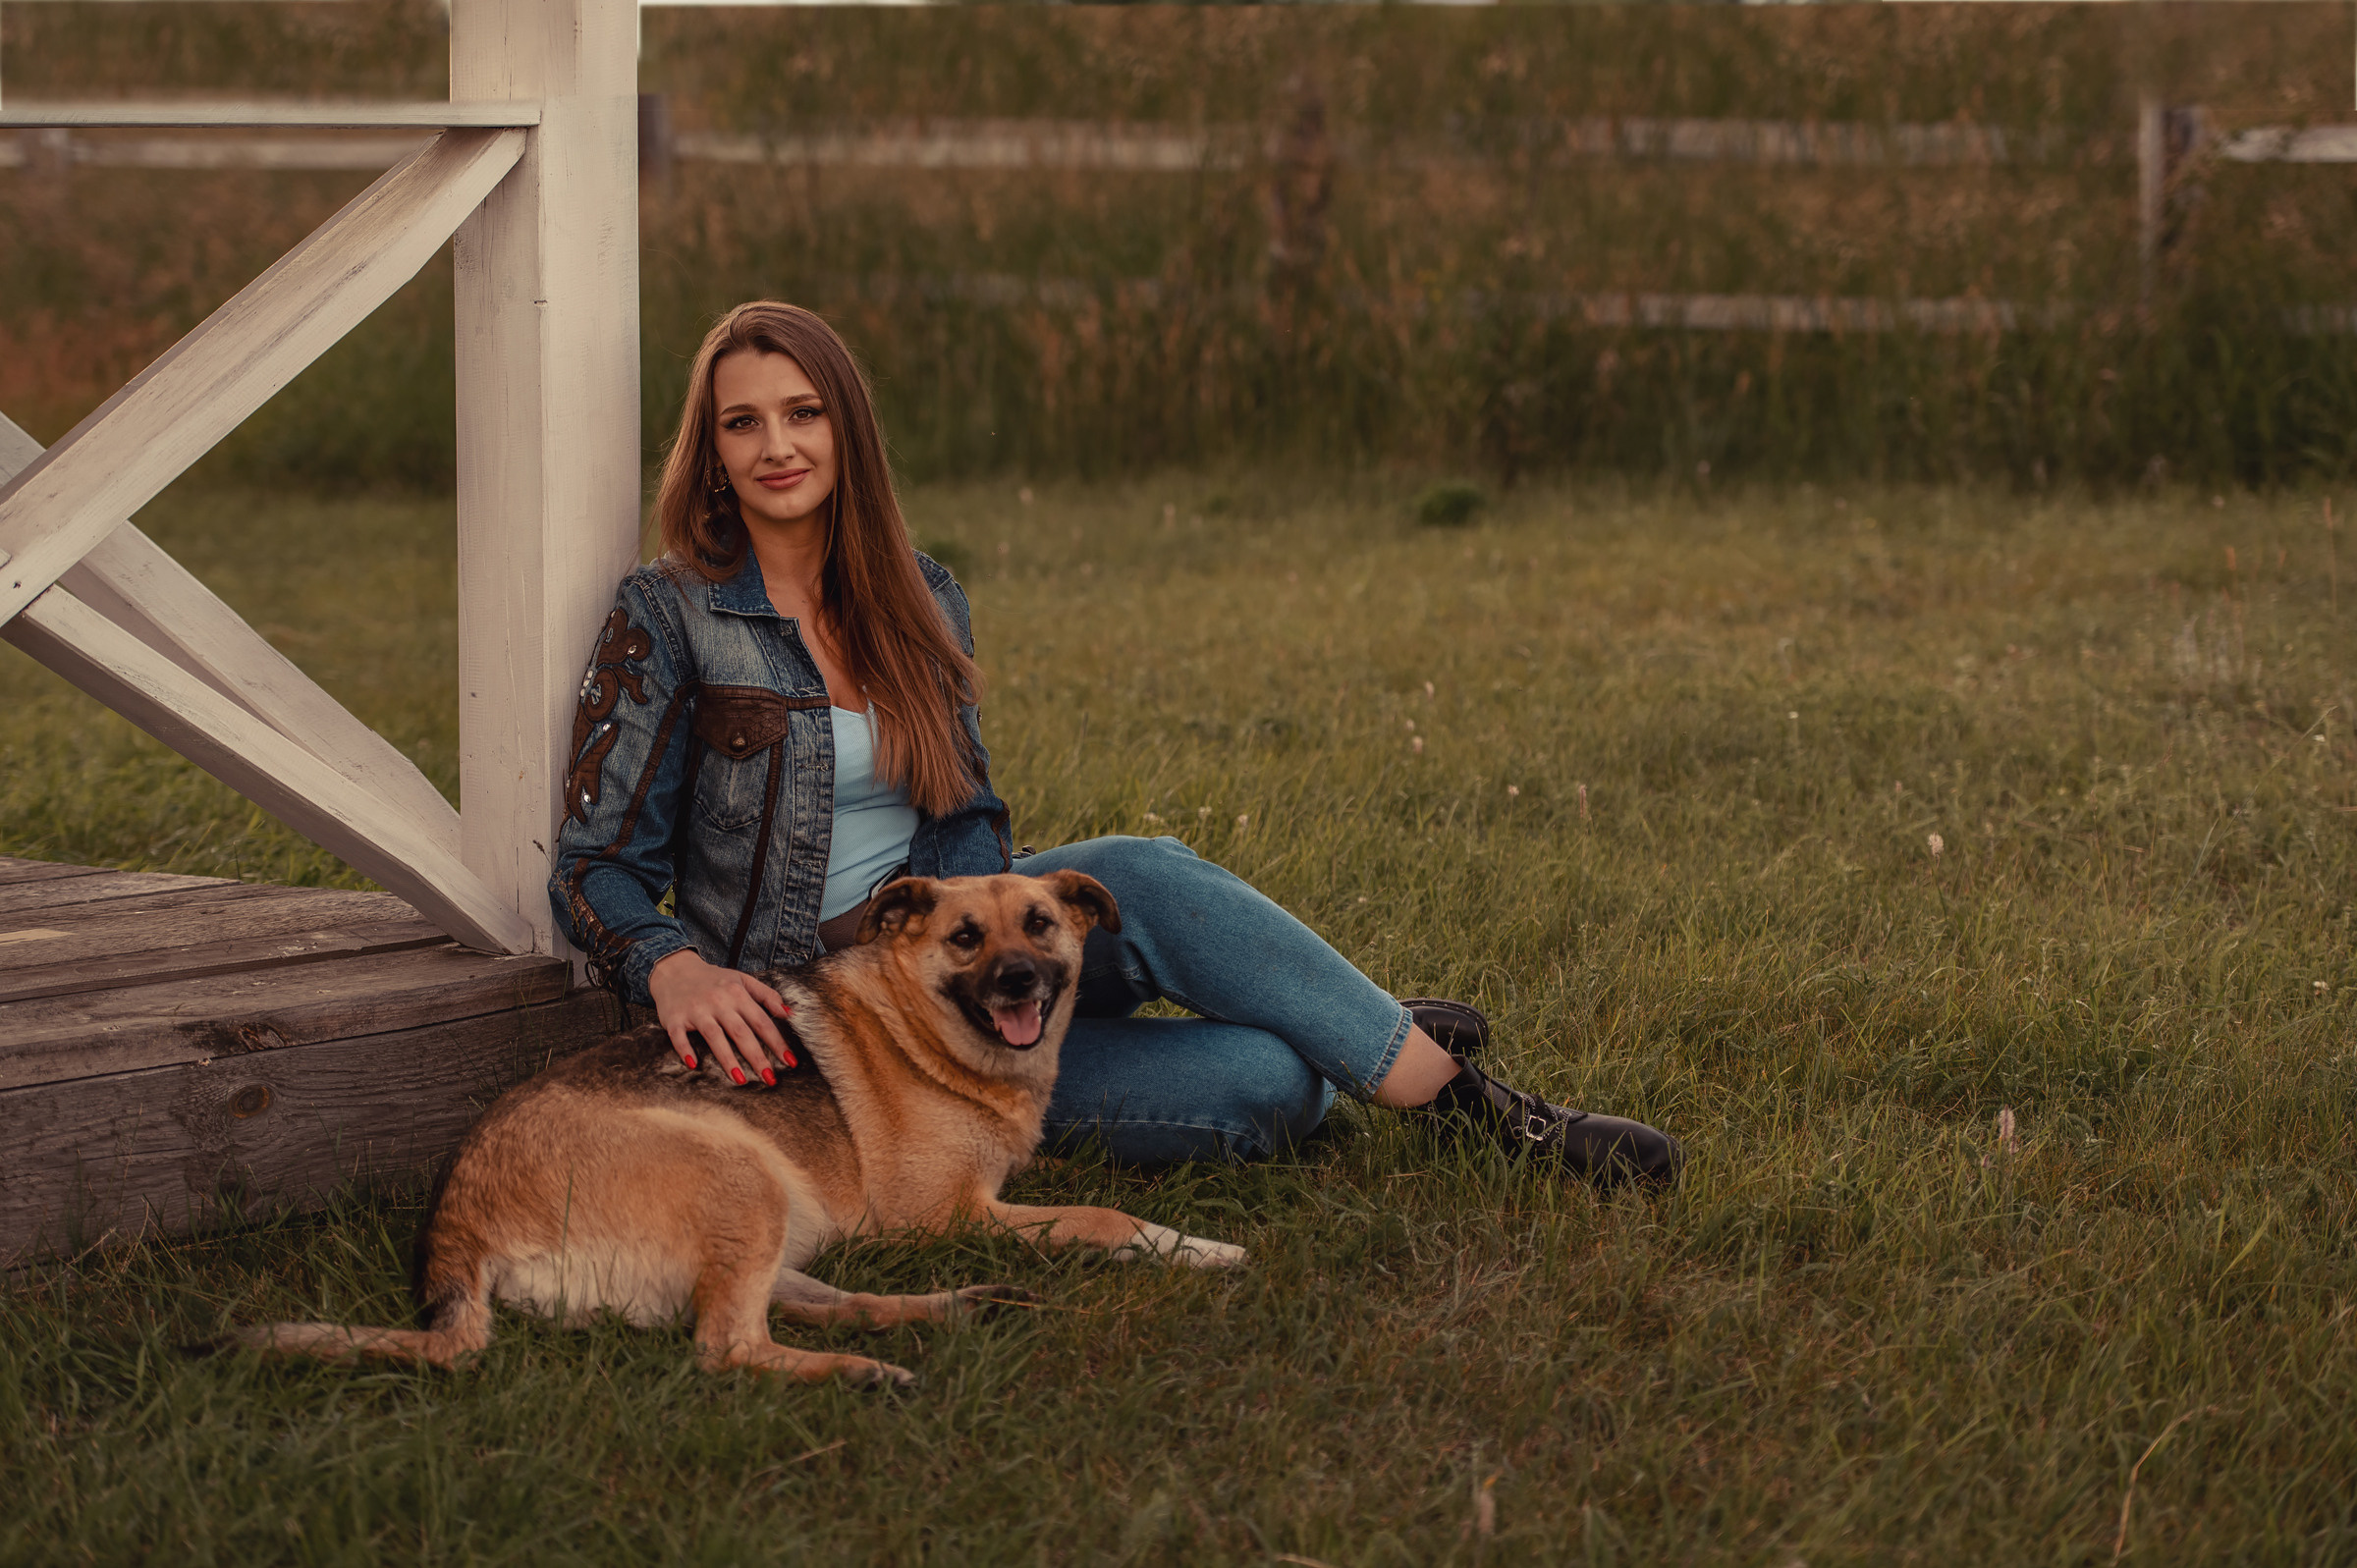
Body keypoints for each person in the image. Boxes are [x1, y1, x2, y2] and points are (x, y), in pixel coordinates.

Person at [549, 300, 1680, 1187]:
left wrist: (971, 934)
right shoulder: (669, 613)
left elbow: (970, 829)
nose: (777, 445)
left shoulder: (923, 599)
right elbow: (594, 866)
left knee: (1136, 870)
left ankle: (1467, 1105)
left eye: (803, 412)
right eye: (743, 422)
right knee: (1268, 1087)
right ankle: (1346, 1032)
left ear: (847, 427)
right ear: (712, 450)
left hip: (958, 972)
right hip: (833, 1029)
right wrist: (675, 965)